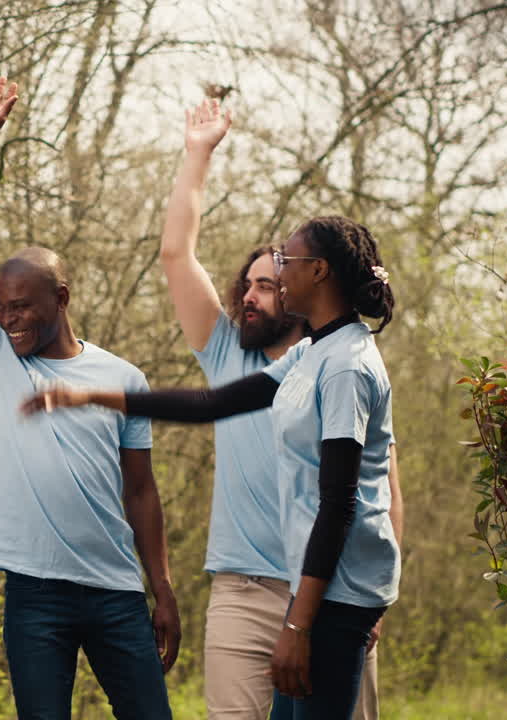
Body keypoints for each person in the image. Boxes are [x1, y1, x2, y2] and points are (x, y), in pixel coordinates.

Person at [24, 215, 400, 720]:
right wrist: (93, 396)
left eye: (287, 261)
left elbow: (338, 504)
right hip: (317, 592)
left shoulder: (347, 366)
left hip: (340, 594)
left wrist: (297, 626)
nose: (280, 272)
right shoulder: (314, 351)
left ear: (319, 271)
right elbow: (213, 403)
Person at [0, 77, 178, 720]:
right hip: (35, 596)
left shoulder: (123, 378)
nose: (8, 318)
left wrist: (163, 590)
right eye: (2, 306)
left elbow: (141, 492)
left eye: (21, 306)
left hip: (117, 591)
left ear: (61, 298)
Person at [158, 100, 404, 719]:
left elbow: (381, 491)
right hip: (244, 590)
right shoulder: (227, 356)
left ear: (306, 285)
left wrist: (375, 603)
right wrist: (197, 154)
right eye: (247, 284)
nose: (251, 295)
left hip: (333, 593)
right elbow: (176, 254)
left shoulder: (340, 364)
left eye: (269, 283)